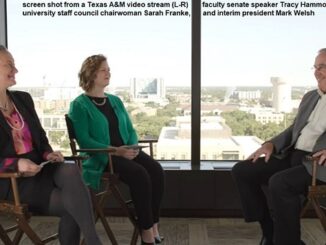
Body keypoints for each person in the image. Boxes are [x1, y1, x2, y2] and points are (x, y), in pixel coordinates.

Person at [0, 45, 102, 245]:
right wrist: (16, 164)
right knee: (78, 200)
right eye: (9, 65)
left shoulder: (23, 99)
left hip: (40, 168)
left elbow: (40, 136)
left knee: (71, 172)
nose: (16, 70)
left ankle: (92, 241)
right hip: (11, 180)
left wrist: (48, 154)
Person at [232, 48, 326, 245]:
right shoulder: (310, 96)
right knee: (242, 170)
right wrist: (270, 144)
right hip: (294, 156)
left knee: (280, 183)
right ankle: (269, 231)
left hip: (319, 164)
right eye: (315, 67)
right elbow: (294, 129)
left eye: (323, 66)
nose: (317, 72)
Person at [68, 54, 165, 245]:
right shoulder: (79, 105)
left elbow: (130, 130)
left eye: (108, 69)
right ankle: (146, 231)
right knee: (140, 175)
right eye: (104, 70)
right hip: (103, 158)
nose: (108, 73)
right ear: (91, 74)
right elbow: (85, 141)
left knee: (156, 171)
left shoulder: (115, 100)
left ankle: (153, 223)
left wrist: (131, 147)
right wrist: (116, 151)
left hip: (125, 152)